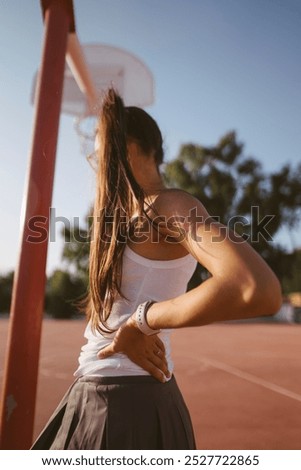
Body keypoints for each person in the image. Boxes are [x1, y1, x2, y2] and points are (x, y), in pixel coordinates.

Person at [31, 88, 282, 450]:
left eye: (100, 147)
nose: (95, 159)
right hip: (104, 394)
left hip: (124, 403)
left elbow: (255, 287)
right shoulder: (131, 217)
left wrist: (141, 320)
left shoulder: (166, 205)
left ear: (129, 147)